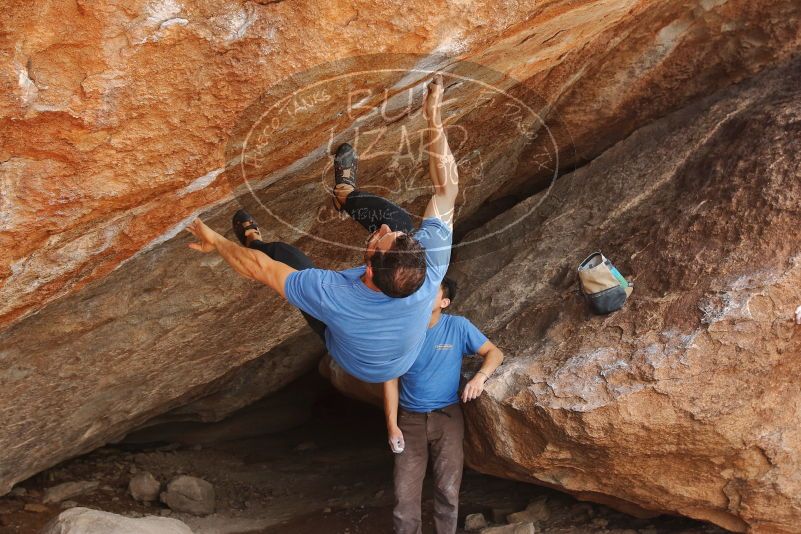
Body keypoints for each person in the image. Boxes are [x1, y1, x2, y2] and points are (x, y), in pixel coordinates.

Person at [186, 75, 459, 383]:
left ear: (367, 268)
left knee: (284, 257)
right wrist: (433, 117)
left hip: (356, 359)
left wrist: (216, 242)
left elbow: (259, 269)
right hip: (398, 348)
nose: (382, 228)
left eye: (380, 239)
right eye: (397, 240)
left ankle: (252, 239)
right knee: (402, 224)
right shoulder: (431, 263)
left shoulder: (336, 296)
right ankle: (344, 194)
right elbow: (447, 188)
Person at [383, 277, 504, 534]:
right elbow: (390, 380)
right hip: (410, 420)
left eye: (432, 291)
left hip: (448, 418)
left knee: (448, 490)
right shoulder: (402, 330)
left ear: (444, 302)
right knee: (404, 494)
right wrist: (392, 425)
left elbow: (495, 352)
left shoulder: (458, 327)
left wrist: (480, 378)